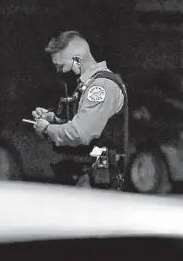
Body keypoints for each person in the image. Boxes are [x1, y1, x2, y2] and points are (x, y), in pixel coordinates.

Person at [31, 31, 128, 188]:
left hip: (101, 182)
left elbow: (80, 133)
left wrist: (48, 129)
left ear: (77, 61)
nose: (58, 72)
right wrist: (54, 119)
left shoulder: (101, 86)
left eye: (61, 66)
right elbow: (83, 121)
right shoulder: (89, 84)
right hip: (91, 178)